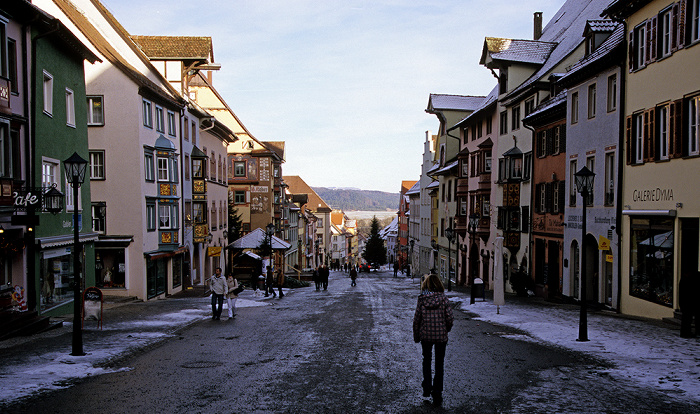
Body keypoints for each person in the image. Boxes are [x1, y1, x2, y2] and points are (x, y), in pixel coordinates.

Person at [412, 274, 454, 406]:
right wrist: (446, 329)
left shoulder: (422, 299)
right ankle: (437, 391)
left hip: (426, 336)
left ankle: (427, 387)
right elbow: (450, 318)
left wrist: (417, 336)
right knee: (439, 363)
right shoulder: (444, 299)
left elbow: (416, 320)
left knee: (427, 361)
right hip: (441, 336)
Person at [680, 271, 699, 338]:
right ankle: (687, 332)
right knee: (687, 319)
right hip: (689, 303)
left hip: (686, 303)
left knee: (686, 319)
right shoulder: (690, 281)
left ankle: (685, 332)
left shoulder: (684, 280)